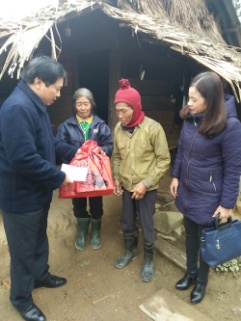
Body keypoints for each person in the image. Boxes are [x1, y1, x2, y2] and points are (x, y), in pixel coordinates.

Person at [0, 56, 79, 321]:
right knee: (23, 250)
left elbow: (49, 144)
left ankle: (40, 276)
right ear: (37, 82)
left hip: (37, 192)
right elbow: (23, 158)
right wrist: (58, 176)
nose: (58, 94)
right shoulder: (17, 109)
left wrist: (77, 152)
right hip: (20, 196)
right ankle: (21, 298)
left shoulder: (37, 105)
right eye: (55, 88)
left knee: (37, 238)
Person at [170, 71, 241, 304]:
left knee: (204, 242)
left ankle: (201, 280)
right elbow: (181, 151)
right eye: (188, 98)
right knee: (190, 236)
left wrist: (227, 204)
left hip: (210, 197)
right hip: (188, 191)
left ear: (210, 100)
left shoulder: (229, 127)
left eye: (194, 100)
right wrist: (175, 177)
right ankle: (190, 273)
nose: (188, 104)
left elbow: (233, 169)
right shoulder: (190, 118)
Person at [113, 79, 170, 282]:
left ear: (135, 108)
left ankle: (148, 260)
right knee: (127, 222)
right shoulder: (118, 129)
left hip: (147, 186)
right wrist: (117, 177)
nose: (120, 116)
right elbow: (117, 156)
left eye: (124, 111)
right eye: (117, 111)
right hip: (127, 186)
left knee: (146, 224)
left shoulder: (153, 129)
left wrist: (145, 183)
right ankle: (130, 252)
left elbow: (164, 160)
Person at [56, 88, 113, 251]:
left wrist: (103, 150)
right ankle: (81, 232)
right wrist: (74, 152)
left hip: (95, 171)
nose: (82, 108)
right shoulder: (66, 126)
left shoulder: (100, 125)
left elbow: (109, 144)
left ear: (92, 105)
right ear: (74, 105)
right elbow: (58, 146)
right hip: (75, 170)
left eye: (86, 104)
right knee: (78, 201)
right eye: (79, 104)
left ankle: (95, 231)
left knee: (96, 201)